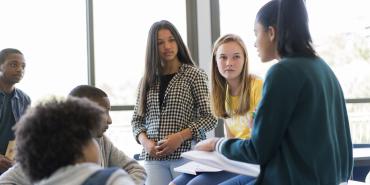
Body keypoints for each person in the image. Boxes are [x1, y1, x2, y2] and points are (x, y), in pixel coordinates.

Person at [194, 0, 353, 185]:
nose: (255, 42)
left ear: (271, 33)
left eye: (256, 33)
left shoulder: (282, 72)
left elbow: (257, 151)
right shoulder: (322, 68)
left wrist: (216, 144)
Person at [0, 85, 146, 185]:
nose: (109, 120)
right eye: (104, 112)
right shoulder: (112, 179)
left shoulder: (103, 142)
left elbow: (137, 169)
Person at [131, 20, 217, 185]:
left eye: (171, 40)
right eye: (160, 43)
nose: (167, 46)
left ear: (178, 41)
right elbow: (136, 120)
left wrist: (179, 137)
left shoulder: (194, 75)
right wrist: (145, 142)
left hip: (186, 155)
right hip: (153, 159)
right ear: (153, 48)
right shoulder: (147, 81)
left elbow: (210, 117)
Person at [171, 34, 263, 185]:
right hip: (233, 158)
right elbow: (231, 138)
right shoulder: (222, 93)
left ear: (245, 59)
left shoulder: (257, 86)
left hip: (250, 161)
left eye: (236, 57)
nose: (229, 63)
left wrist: (217, 144)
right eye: (223, 57)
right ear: (215, 60)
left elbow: (260, 141)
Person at [0, 48, 30, 174]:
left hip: (10, 165)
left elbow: (26, 135)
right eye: (13, 64)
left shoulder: (24, 99)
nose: (20, 69)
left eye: (23, 66)